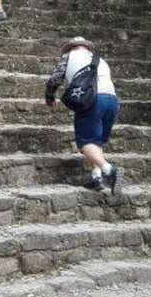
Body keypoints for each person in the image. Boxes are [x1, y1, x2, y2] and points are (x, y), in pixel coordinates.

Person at [44, 37, 121, 193]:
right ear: (86, 47)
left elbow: (55, 79)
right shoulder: (100, 60)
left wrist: (49, 96)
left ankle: (109, 171)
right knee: (96, 142)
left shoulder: (69, 56)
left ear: (71, 47)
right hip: (111, 100)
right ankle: (96, 177)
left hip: (92, 99)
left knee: (86, 142)